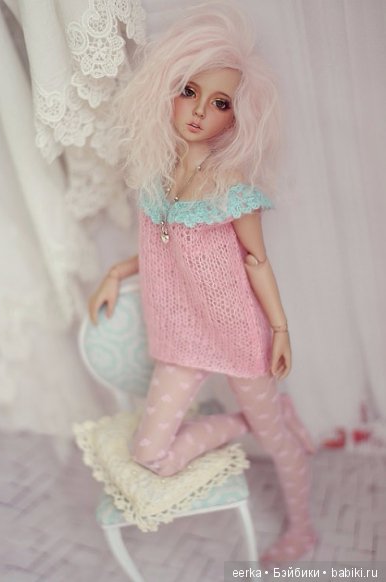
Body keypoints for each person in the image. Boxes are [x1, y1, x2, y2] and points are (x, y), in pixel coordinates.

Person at [87, 4, 316, 563]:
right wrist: (116, 272)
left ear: (236, 117)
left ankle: (303, 528)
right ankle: (244, 421)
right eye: (190, 92)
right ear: (167, 91)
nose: (199, 111)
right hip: (180, 335)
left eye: (220, 103)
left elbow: (256, 260)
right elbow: (161, 251)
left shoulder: (229, 186)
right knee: (149, 453)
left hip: (238, 333)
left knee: (277, 443)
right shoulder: (155, 176)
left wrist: (280, 329)